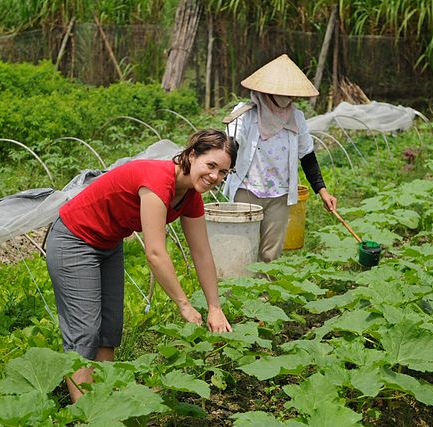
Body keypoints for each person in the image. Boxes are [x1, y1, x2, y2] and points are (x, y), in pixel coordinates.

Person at [46, 129, 236, 402]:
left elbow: (202, 253)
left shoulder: (190, 196)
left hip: (108, 244)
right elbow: (155, 253)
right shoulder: (158, 182)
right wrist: (184, 304)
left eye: (224, 172)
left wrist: (215, 307)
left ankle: (104, 403)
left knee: (109, 330)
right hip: (73, 240)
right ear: (192, 155)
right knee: (85, 331)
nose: (215, 177)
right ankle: (87, 414)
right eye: (211, 166)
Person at [222, 54, 338, 262]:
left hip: (279, 195)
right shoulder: (245, 114)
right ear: (267, 91)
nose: (288, 99)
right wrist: (218, 172)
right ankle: (237, 291)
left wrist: (323, 191)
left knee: (270, 253)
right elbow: (231, 145)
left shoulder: (296, 118)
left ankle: (265, 293)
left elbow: (307, 156)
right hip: (246, 191)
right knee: (241, 247)